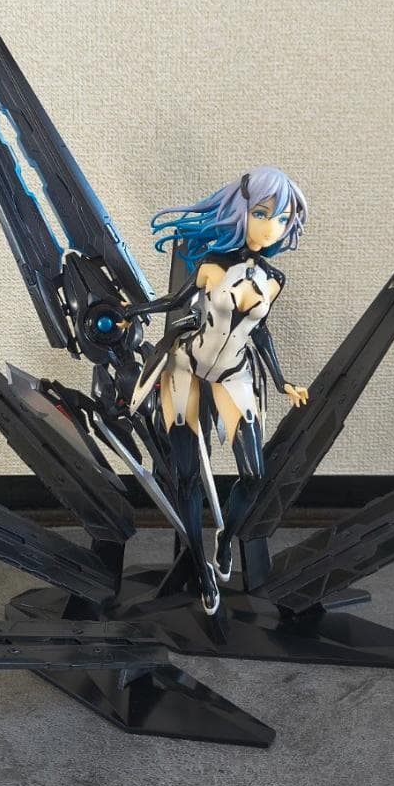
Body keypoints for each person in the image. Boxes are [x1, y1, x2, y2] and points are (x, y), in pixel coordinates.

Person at [121, 166, 310, 614]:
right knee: (185, 475)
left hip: (233, 373)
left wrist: (281, 381)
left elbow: (259, 333)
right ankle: (201, 570)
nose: (272, 227)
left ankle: (225, 538)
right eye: (262, 213)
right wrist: (134, 311)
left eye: (282, 218)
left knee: (254, 475)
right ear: (241, 212)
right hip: (186, 366)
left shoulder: (274, 281)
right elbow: (174, 303)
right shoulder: (211, 267)